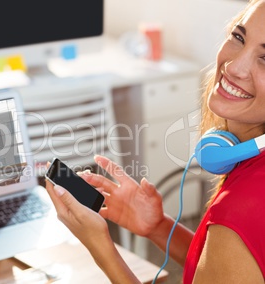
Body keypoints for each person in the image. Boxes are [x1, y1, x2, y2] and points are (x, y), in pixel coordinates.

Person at [45, 0, 265, 282]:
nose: (234, 67)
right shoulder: (250, 171)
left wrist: (100, 246)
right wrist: (158, 226)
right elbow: (224, 270)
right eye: (238, 37)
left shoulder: (245, 203)